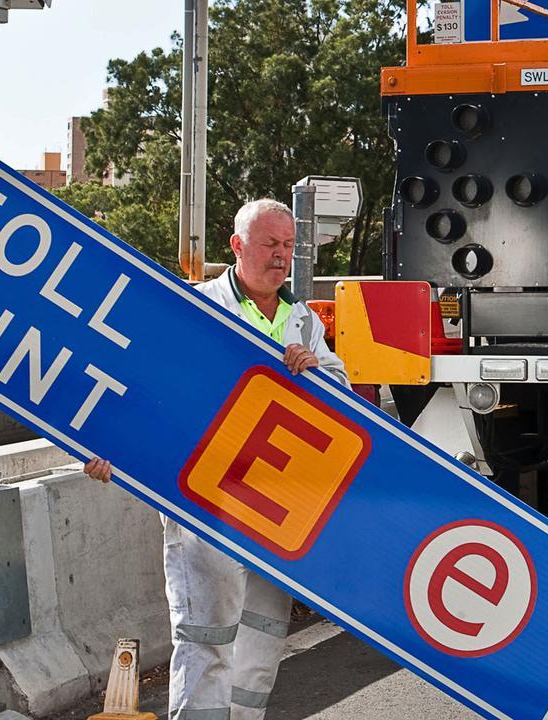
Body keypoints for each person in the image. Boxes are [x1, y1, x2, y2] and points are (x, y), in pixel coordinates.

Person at [84, 198, 347, 720]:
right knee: (206, 638)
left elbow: (342, 393)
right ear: (237, 246)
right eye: (271, 245)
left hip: (277, 504)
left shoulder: (302, 320)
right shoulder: (195, 309)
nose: (282, 257)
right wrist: (110, 446)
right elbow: (143, 388)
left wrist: (316, 373)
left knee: (261, 644)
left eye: (289, 246)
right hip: (209, 496)